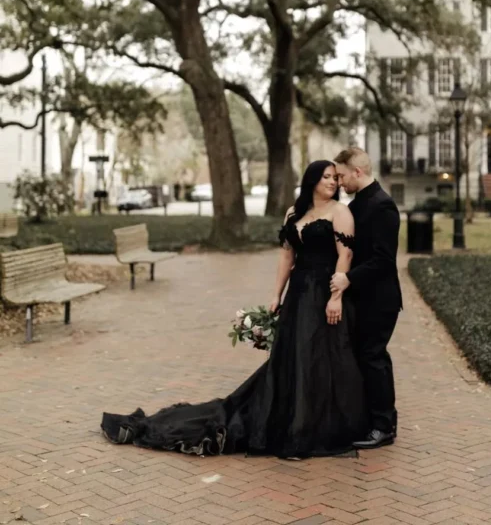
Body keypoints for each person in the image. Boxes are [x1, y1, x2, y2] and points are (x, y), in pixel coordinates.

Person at [100, 160, 368, 459]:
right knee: (292, 357)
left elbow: (346, 256)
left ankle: (311, 427)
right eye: (327, 177)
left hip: (324, 291)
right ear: (312, 181)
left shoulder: (340, 212)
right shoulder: (294, 213)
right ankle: (292, 421)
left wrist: (336, 297)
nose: (333, 182)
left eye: (334, 177)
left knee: (319, 356)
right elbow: (286, 258)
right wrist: (276, 295)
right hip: (299, 295)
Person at [331, 147, 402, 449]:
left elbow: (384, 259)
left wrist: (348, 278)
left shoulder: (382, 205)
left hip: (380, 299)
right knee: (370, 357)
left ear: (357, 172)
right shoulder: (359, 203)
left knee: (373, 358)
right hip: (364, 297)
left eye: (342, 175)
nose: (340, 182)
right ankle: (380, 419)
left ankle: (383, 427)